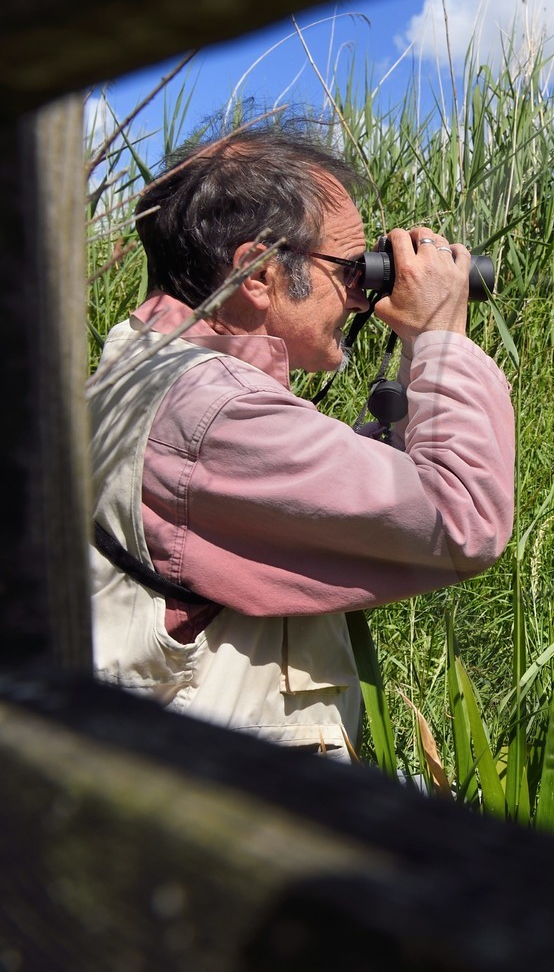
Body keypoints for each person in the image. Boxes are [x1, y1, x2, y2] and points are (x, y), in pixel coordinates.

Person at [87, 114, 515, 761]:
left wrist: (414, 370)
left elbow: (357, 495)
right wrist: (440, 340)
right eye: (348, 266)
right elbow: (462, 518)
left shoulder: (147, 375)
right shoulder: (215, 414)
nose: (360, 291)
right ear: (256, 273)